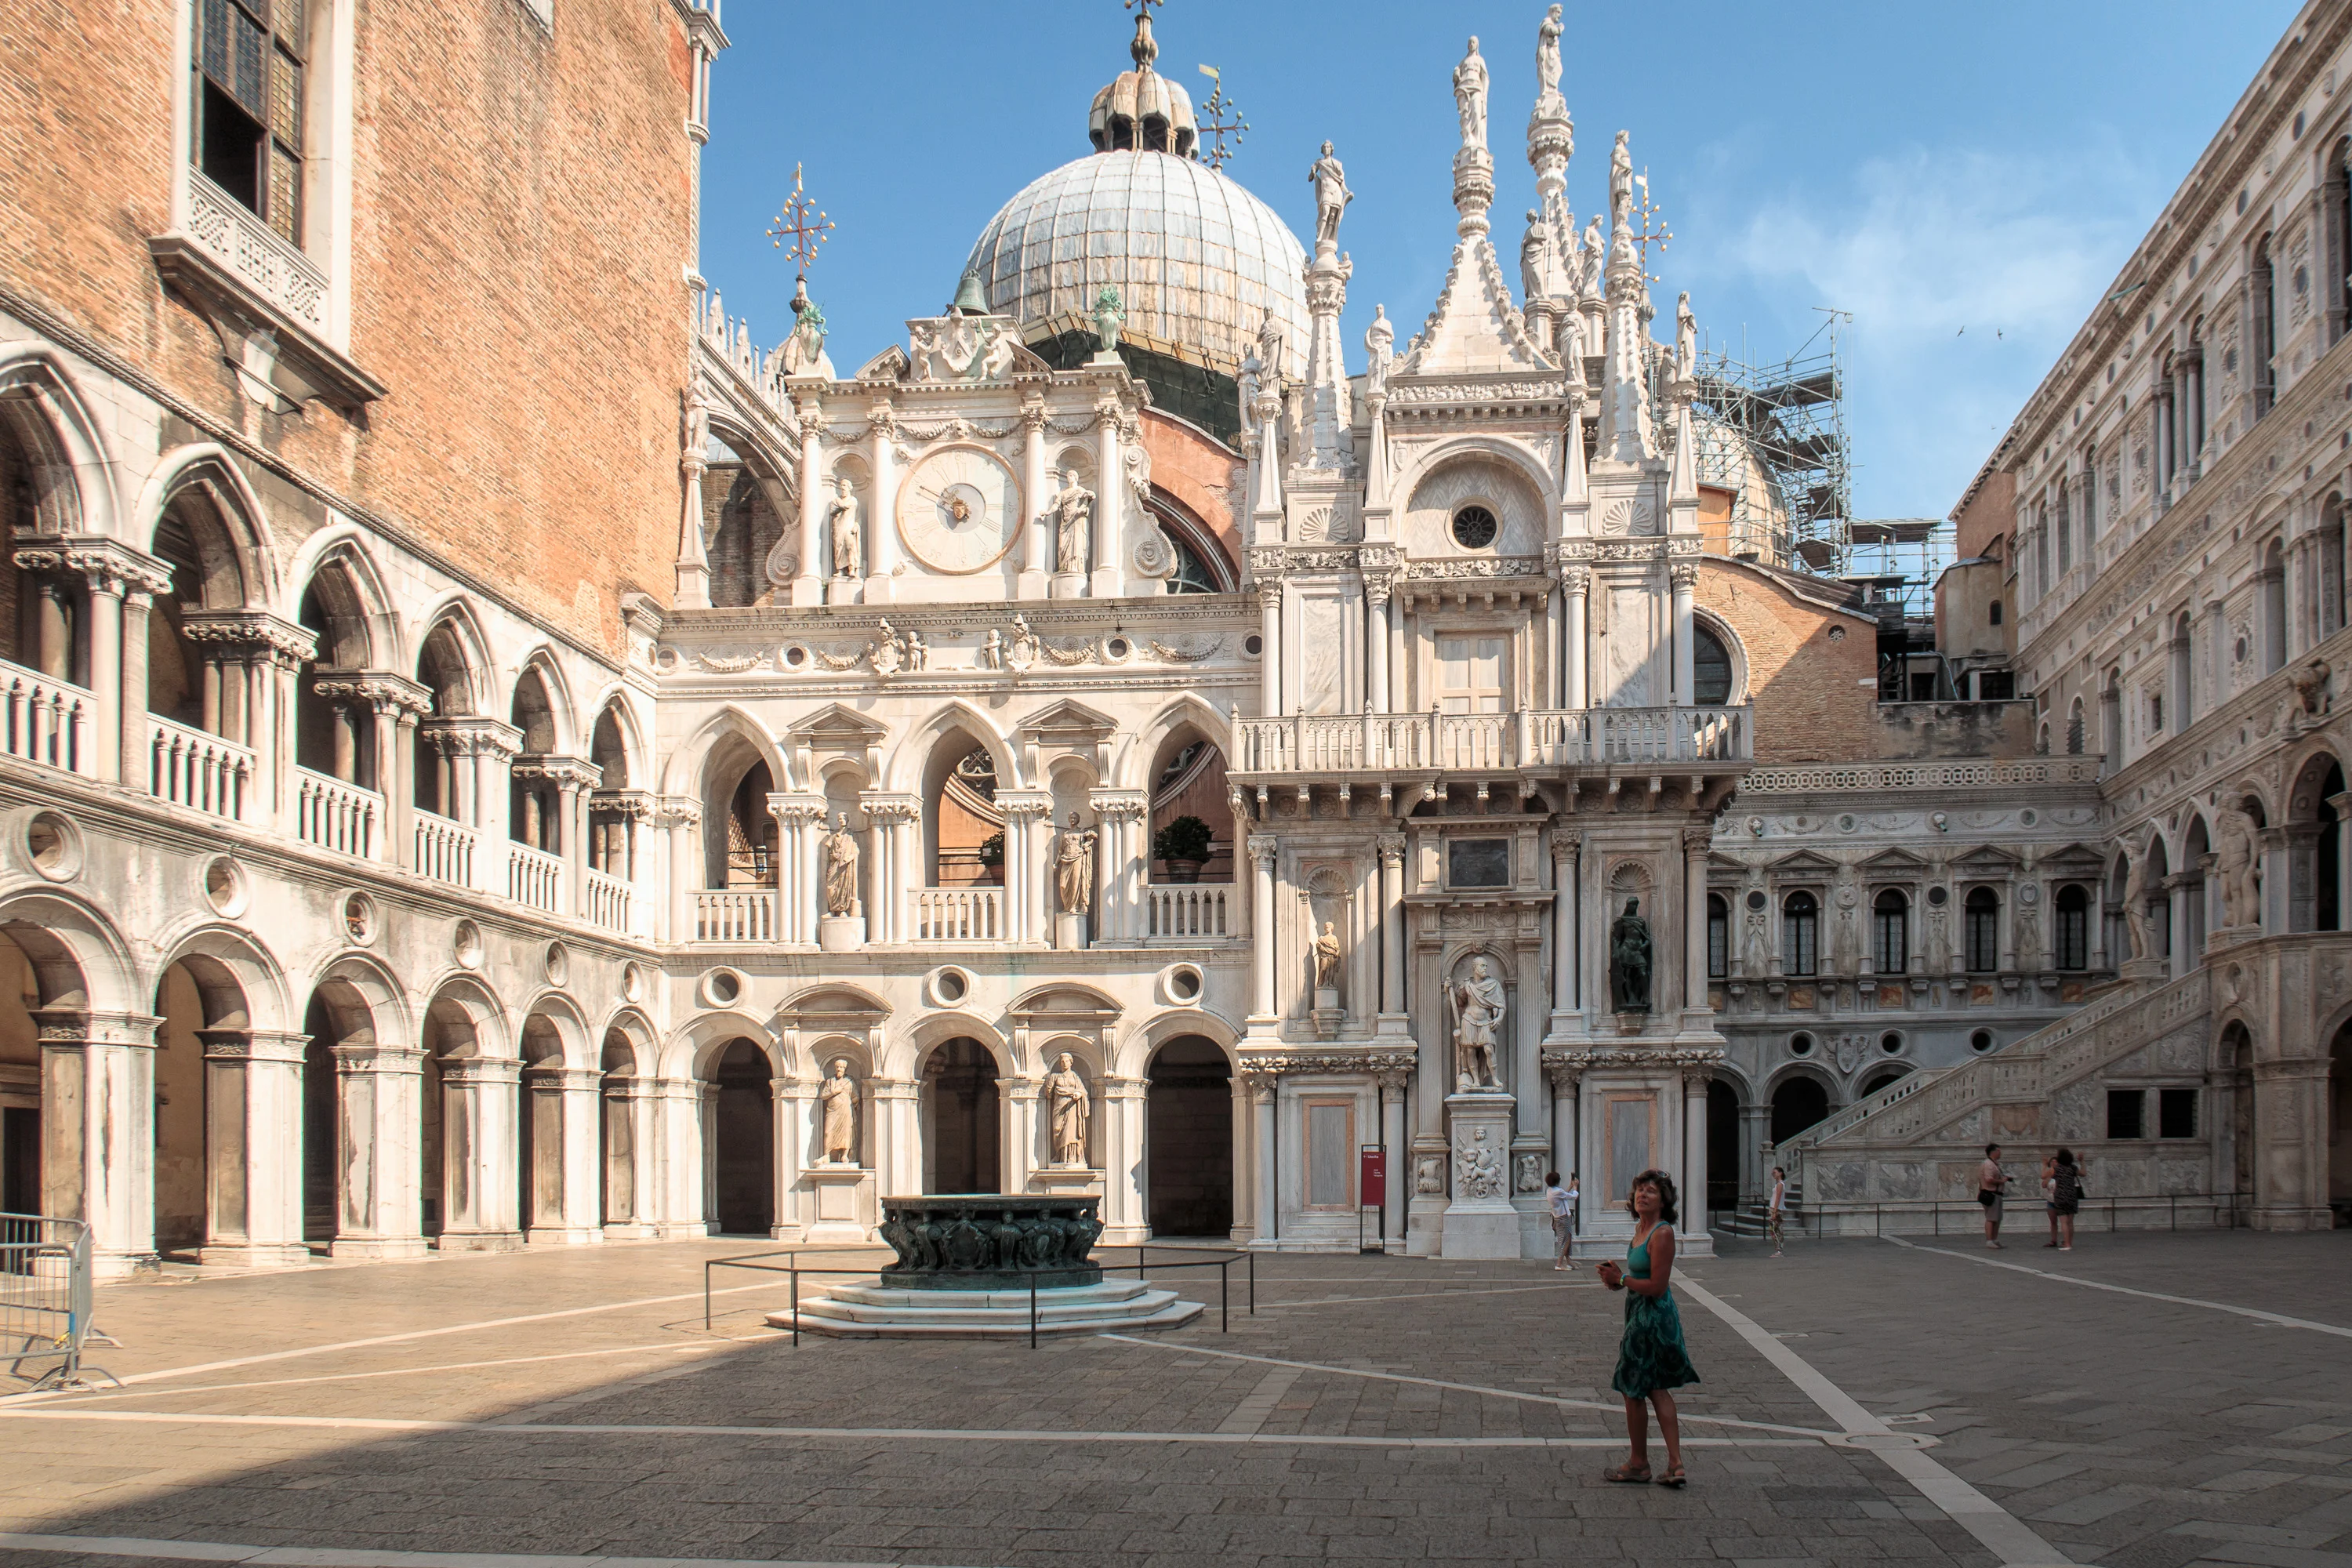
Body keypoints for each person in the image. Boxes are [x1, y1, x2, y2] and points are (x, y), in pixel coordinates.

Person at [1598, 1170, 1697, 1488]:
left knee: (1633, 1388)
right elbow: (1639, 1279)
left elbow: (1657, 1286)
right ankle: (1674, 1464)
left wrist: (1622, 1279)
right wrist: (1618, 1280)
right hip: (1640, 1312)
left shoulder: (1661, 1233)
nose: (1642, 1195)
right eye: (1640, 1190)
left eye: (1651, 1191)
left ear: (1663, 1200)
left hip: (1651, 1319)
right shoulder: (1641, 1230)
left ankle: (1639, 1463)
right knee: (1655, 1387)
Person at [2049, 1148, 2085, 1251]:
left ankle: (2067, 1244)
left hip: (2060, 1195)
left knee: (2063, 1221)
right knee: (2070, 1222)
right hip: (2072, 1195)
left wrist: (2045, 1165)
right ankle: (2069, 1242)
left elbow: (2044, 1175)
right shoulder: (2073, 1168)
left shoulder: (2056, 1169)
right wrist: (2082, 1161)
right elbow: (2083, 1173)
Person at [1976, 1142, 2009, 1249]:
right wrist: (2001, 1181)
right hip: (1990, 1194)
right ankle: (1989, 1240)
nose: (2000, 1153)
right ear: (1993, 1152)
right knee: (1991, 1218)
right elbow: (1989, 1179)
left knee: (1997, 1218)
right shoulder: (1989, 1164)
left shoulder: (1994, 1164)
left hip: (1996, 1194)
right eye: (1998, 1151)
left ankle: (1994, 1239)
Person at [1543, 1170, 1575, 1271]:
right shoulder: (1558, 1191)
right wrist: (1575, 1187)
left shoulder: (1549, 1190)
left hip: (1557, 1217)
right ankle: (1559, 1264)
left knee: (1564, 1239)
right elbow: (1573, 1196)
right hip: (1563, 1217)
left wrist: (1570, 1186)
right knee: (1566, 1240)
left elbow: (1563, 1194)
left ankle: (1569, 1262)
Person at [1767, 1166, 1788, 1258]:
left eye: (1775, 1173)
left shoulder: (1780, 1184)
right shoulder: (1778, 1184)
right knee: (1773, 1230)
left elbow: (1778, 1198)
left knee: (1776, 1230)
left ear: (1780, 1173)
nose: (1773, 1174)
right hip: (1774, 1208)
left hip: (1776, 1209)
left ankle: (1779, 1250)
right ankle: (1778, 1249)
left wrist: (1774, 1211)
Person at [2040, 1153, 2060, 1247]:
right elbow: (2044, 1184)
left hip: (2060, 1200)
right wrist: (2048, 1175)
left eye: (2055, 1162)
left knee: (2065, 1221)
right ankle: (2053, 1240)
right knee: (2053, 1221)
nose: (2054, 1163)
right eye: (2052, 1162)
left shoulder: (2061, 1174)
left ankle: (2066, 1239)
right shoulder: (2049, 1175)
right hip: (2051, 1200)